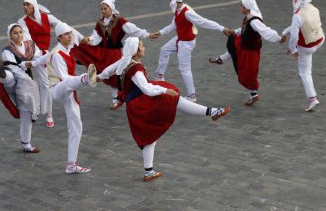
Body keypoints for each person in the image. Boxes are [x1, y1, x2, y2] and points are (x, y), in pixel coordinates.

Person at [98, 37, 230, 181]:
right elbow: (146, 88)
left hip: (135, 101)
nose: (144, 48)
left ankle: (149, 171)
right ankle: (212, 112)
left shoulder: (126, 60)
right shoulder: (135, 68)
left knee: (150, 135)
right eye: (142, 46)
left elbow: (109, 70)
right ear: (135, 52)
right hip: (140, 103)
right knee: (172, 100)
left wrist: (98, 77)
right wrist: (163, 91)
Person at [71, 0, 158, 110]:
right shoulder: (100, 23)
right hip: (102, 52)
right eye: (101, 9)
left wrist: (147, 34)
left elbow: (133, 29)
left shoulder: (120, 21)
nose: (103, 11)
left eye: (105, 9)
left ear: (111, 9)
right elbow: (96, 38)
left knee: (115, 77)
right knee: (105, 72)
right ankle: (94, 79)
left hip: (114, 53)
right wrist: (88, 40)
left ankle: (116, 99)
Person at [18, 0, 87, 128]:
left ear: (34, 6)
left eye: (28, 4)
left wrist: (82, 37)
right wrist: (40, 55)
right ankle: (41, 111)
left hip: (47, 53)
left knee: (46, 84)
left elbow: (64, 27)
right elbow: (29, 40)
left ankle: (47, 113)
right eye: (24, 5)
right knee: (42, 84)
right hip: (34, 53)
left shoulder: (47, 18)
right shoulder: (22, 21)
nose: (25, 7)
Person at [153, 0, 233, 102]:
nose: (169, 2)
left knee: (184, 69)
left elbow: (204, 22)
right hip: (180, 38)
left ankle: (192, 95)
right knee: (164, 50)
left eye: (170, 0)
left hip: (186, 43)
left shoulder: (187, 12)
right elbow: (173, 25)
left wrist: (222, 28)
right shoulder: (178, 10)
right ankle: (159, 76)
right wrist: (160, 33)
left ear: (174, 0)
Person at [209, 0, 286, 106]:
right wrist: (234, 32)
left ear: (247, 8)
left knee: (247, 74)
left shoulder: (254, 21)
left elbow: (265, 31)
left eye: (242, 6)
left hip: (250, 51)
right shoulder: (248, 18)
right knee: (233, 44)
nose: (240, 8)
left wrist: (278, 38)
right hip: (245, 45)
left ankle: (254, 94)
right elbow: (244, 29)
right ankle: (220, 59)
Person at [45, 22, 97, 174]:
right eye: (66, 34)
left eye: (70, 33)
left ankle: (71, 165)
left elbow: (81, 37)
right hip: (57, 89)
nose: (70, 36)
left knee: (76, 126)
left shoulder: (68, 47)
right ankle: (86, 78)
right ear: (59, 37)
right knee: (69, 81)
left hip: (69, 91)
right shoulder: (56, 55)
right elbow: (65, 78)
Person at [0, 23, 48, 153]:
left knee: (26, 114)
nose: (18, 35)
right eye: (15, 33)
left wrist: (35, 60)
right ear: (10, 36)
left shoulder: (30, 45)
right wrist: (25, 64)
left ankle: (26, 145)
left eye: (20, 32)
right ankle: (2, 75)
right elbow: (14, 67)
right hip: (16, 79)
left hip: (25, 85)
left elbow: (37, 55)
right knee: (10, 78)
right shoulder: (7, 50)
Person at [282, 0, 324, 112]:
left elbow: (295, 35)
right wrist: (285, 32)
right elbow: (300, 25)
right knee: (307, 67)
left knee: (305, 72)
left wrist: (292, 49)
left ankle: (312, 99)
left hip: (306, 46)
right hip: (319, 40)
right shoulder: (315, 9)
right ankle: (312, 98)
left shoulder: (297, 15)